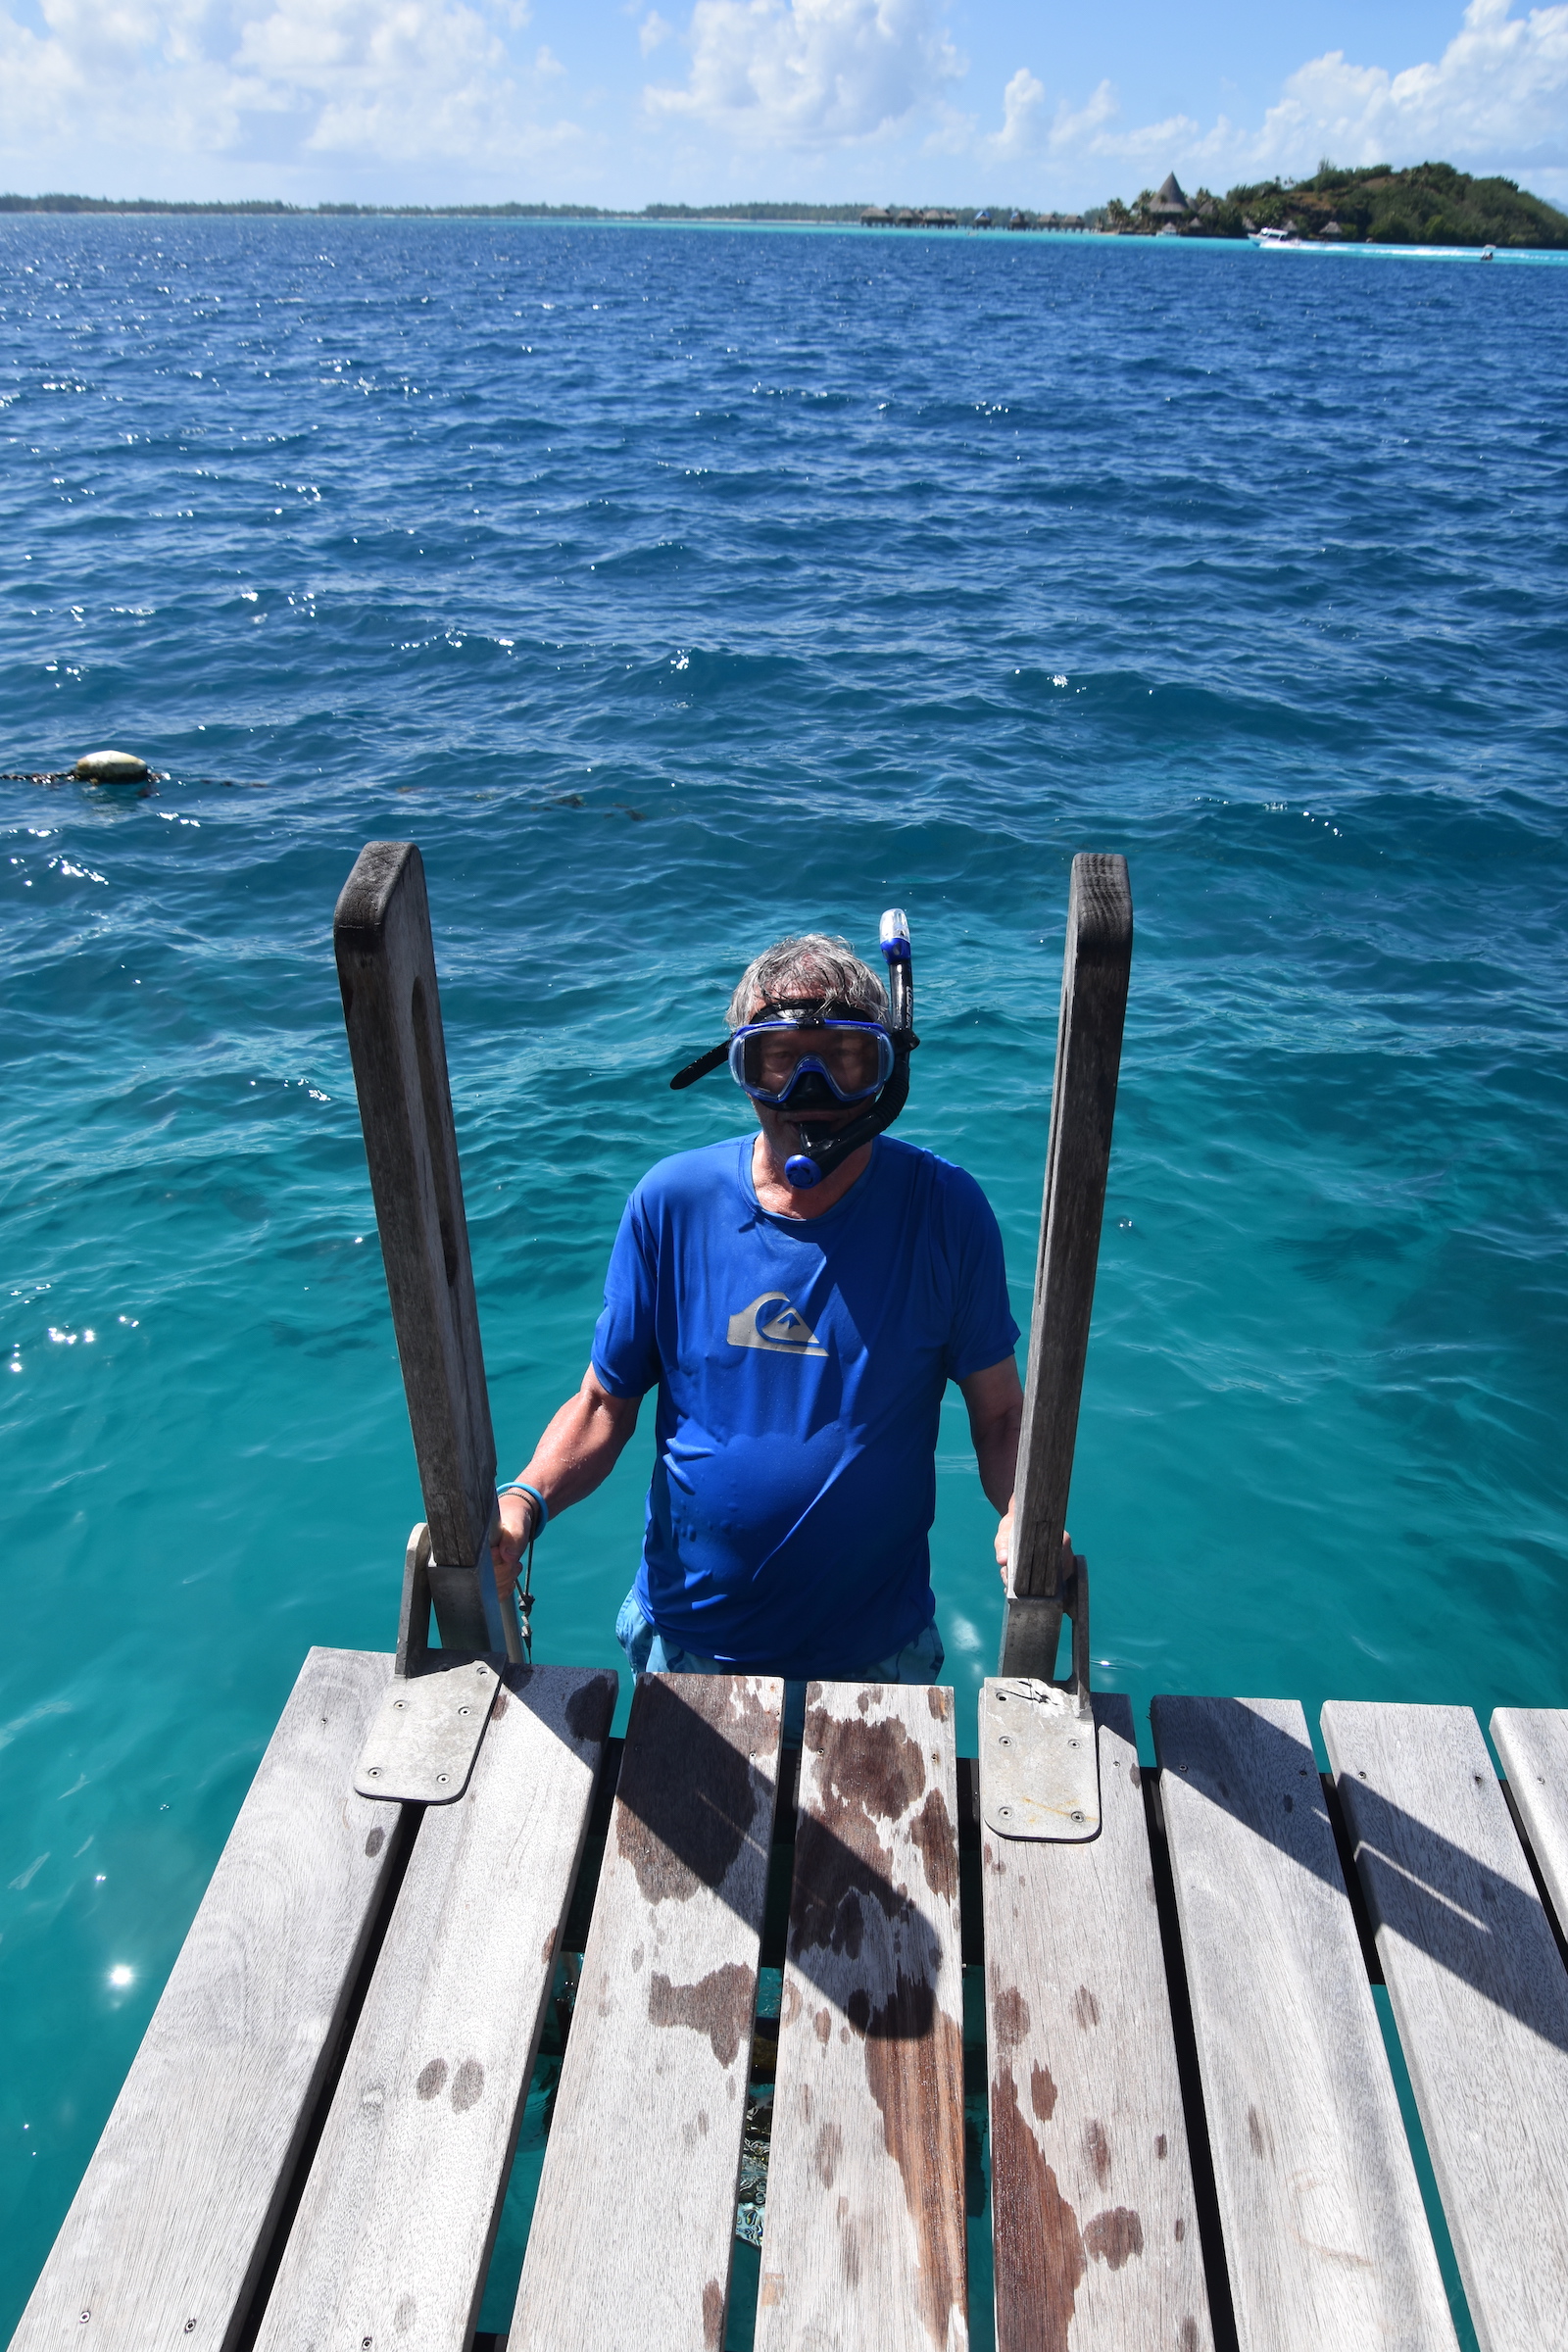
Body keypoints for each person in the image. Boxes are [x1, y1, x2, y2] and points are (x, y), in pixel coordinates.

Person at [491, 926, 1027, 1724]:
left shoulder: (945, 1211)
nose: (811, 1088)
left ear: (887, 1069)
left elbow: (1001, 1414)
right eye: (779, 1059)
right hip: (691, 1643)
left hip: (875, 1655)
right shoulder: (670, 1205)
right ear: (740, 1069)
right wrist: (522, 1502)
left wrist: (1025, 1512)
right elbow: (604, 1406)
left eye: (846, 1057)